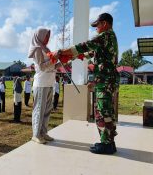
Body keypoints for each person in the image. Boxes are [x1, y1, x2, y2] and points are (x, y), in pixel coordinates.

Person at [60, 13, 119, 154]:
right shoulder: (109, 38)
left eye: (97, 25)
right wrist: (73, 57)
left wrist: (62, 52)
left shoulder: (105, 36)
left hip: (105, 81)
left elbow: (85, 46)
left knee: (102, 112)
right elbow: (91, 53)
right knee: (106, 111)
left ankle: (107, 144)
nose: (96, 28)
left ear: (104, 23)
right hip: (106, 81)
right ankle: (109, 142)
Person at [28, 28, 60, 144]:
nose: (47, 38)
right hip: (41, 83)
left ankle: (43, 132)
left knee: (47, 110)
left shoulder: (46, 49)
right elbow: (42, 67)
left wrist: (65, 60)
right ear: (40, 36)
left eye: (48, 36)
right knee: (39, 110)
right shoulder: (37, 49)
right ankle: (36, 134)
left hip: (49, 82)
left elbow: (53, 66)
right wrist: (54, 58)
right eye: (46, 36)